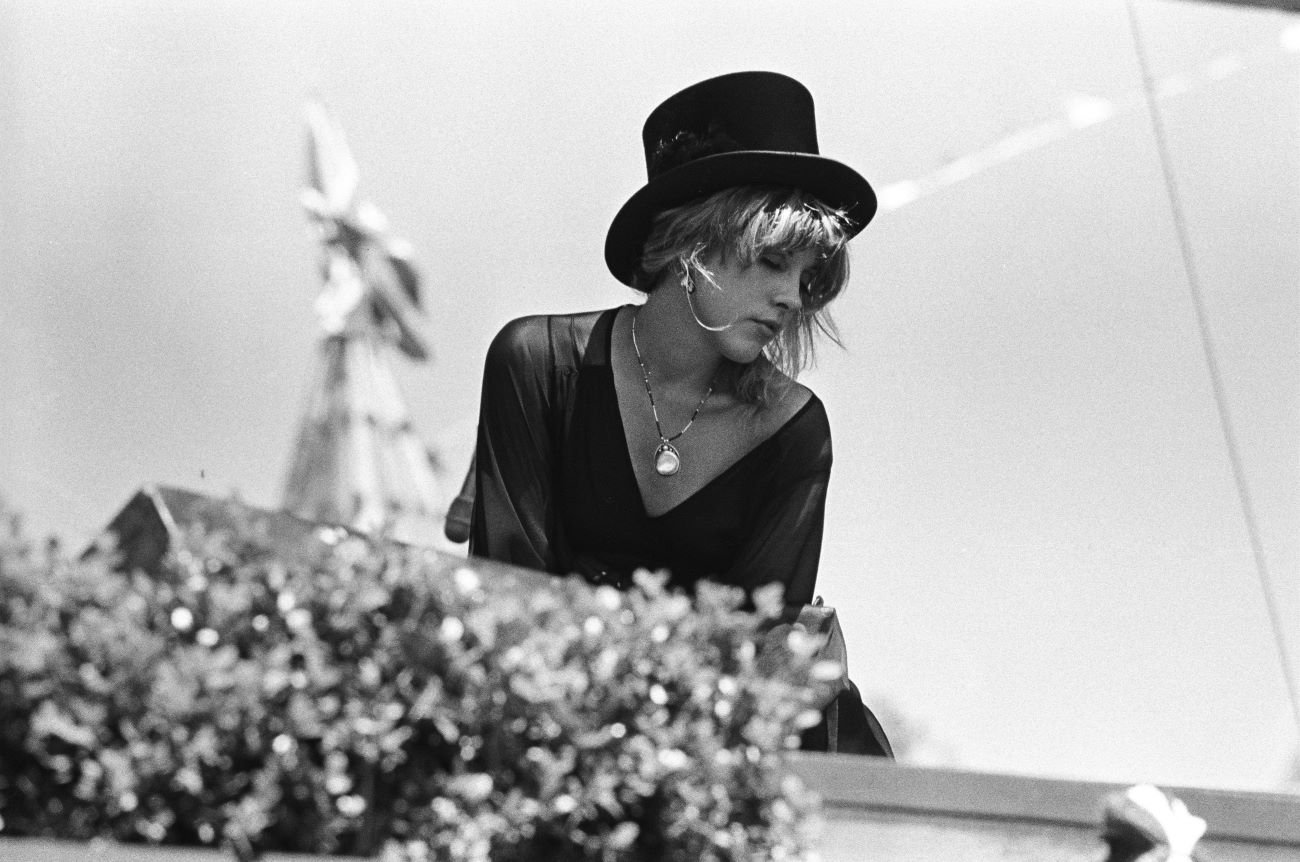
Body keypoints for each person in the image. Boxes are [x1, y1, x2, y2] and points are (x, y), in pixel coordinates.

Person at [466, 71, 890, 754]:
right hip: (536, 723)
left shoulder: (793, 430)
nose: (790, 297)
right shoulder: (537, 362)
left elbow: (760, 648)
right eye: (772, 261)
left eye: (806, 275)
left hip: (709, 748)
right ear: (692, 247)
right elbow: (507, 594)